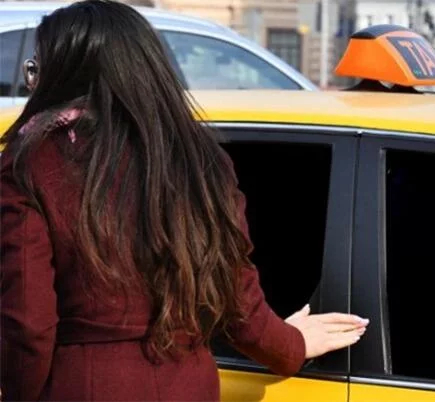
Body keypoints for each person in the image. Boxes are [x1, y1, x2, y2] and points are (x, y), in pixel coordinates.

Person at [0, 1, 368, 400]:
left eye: (36, 69)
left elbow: (28, 324)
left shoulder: (31, 162)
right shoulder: (200, 159)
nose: (33, 83)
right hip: (188, 384)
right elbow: (235, 298)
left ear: (64, 76)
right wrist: (291, 345)